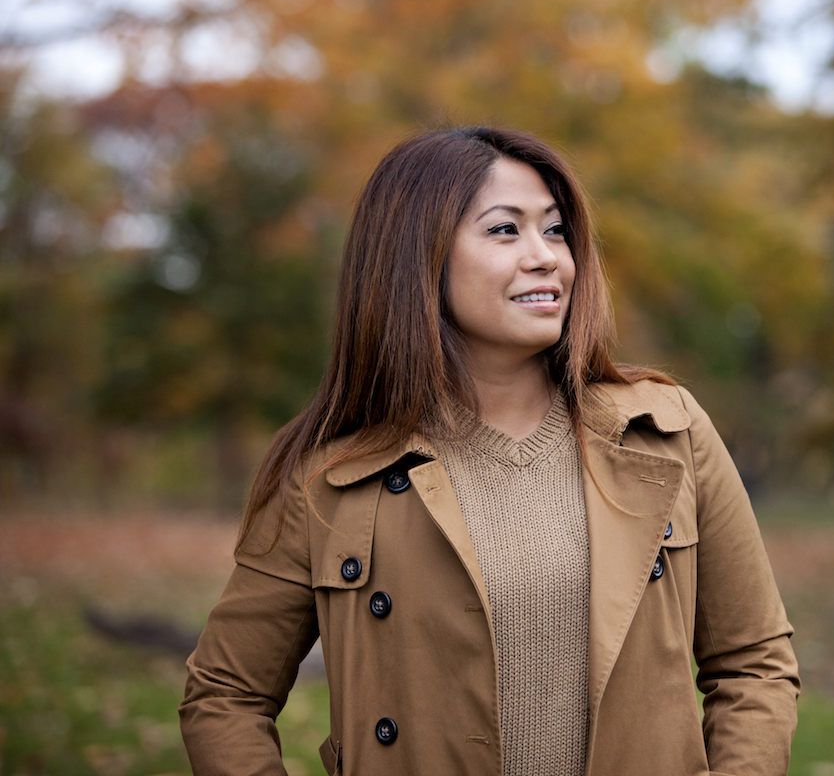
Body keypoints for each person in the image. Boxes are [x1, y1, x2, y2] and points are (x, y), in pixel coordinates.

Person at [179, 127, 800, 776]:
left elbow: (753, 661)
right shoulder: (331, 478)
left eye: (555, 231)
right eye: (506, 230)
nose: (547, 258)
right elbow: (225, 696)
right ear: (416, 256)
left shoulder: (667, 430)